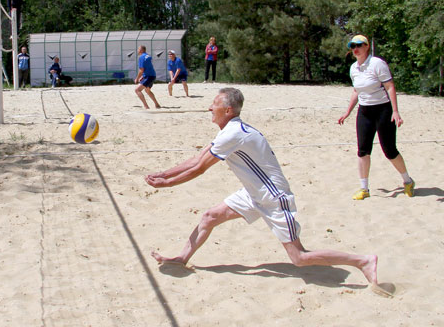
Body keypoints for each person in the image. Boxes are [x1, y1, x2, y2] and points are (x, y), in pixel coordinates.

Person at [145, 88, 379, 286]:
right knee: (209, 217)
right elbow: (197, 159)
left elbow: (199, 168)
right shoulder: (230, 130)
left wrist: (167, 184)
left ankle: (362, 261)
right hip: (253, 193)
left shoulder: (233, 134)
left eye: (214, 104)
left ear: (228, 110)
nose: (209, 108)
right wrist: (163, 174)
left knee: (299, 257)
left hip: (274, 197)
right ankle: (181, 258)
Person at [338, 34, 414, 200]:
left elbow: (390, 86)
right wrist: (347, 111)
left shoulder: (377, 63)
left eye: (359, 45)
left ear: (367, 46)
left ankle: (408, 181)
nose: (355, 49)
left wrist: (395, 111)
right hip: (364, 112)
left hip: (383, 111)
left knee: (390, 151)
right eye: (352, 46)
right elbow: (356, 91)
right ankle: (364, 188)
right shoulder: (353, 68)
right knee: (362, 151)